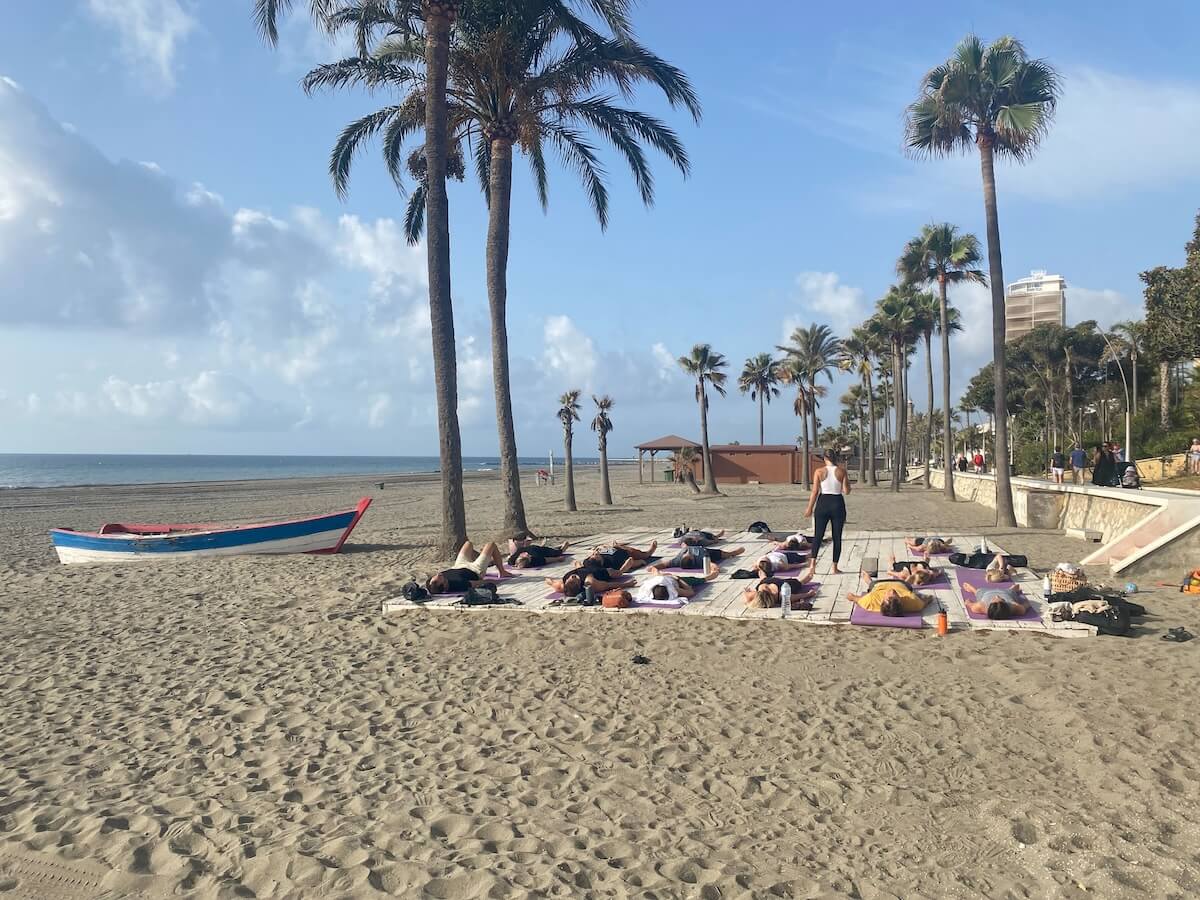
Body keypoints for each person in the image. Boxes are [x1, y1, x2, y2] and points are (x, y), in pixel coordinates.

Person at [802, 449, 850, 581]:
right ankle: (834, 567)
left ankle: (812, 565)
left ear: (824, 458)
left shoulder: (819, 472)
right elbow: (847, 491)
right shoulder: (841, 471)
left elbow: (815, 491)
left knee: (818, 535)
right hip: (837, 503)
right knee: (837, 536)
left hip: (823, 503)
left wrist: (809, 508)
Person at [427, 540, 514, 593]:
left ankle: (484, 559)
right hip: (475, 570)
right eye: (437, 579)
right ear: (444, 584)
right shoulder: (459, 584)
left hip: (458, 565)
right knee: (491, 545)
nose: (438, 575)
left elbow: (430, 588)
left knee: (468, 544)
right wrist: (494, 581)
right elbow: (479, 583)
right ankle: (502, 571)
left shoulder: (437, 582)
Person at [636, 562, 720, 606]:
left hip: (662, 579)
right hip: (669, 579)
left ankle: (657, 572)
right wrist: (678, 579)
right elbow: (690, 591)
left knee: (661, 575)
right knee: (694, 580)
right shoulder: (673, 590)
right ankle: (710, 577)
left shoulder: (647, 589)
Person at [847, 580, 930, 617]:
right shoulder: (912, 601)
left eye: (890, 596)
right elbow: (926, 601)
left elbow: (854, 598)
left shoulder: (871, 600)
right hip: (901, 583)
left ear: (883, 600)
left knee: (871, 585)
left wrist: (851, 596)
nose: (892, 591)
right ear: (900, 602)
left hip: (879, 584)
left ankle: (869, 581)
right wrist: (928, 598)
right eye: (895, 596)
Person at [544, 563, 631, 597]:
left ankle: (578, 565)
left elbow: (551, 582)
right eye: (573, 580)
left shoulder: (562, 586)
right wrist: (626, 584)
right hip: (599, 572)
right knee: (616, 573)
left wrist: (548, 580)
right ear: (579, 584)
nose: (572, 577)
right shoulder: (590, 583)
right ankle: (622, 570)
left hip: (582, 569)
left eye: (568, 580)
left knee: (580, 567)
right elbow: (608, 585)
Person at [962, 581, 1030, 619]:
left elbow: (968, 603)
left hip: (985, 593)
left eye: (994, 599)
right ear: (1006, 604)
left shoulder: (980, 606)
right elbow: (1026, 605)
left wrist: (968, 602)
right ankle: (1013, 589)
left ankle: (972, 590)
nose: (997, 596)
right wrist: (1026, 603)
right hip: (1007, 593)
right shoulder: (1014, 606)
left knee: (978, 592)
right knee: (1013, 591)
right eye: (1001, 599)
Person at [583, 540, 658, 574]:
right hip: (628, 554)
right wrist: (641, 562)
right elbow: (630, 563)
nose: (594, 554)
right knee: (642, 555)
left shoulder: (589, 561)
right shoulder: (613, 563)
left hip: (616, 548)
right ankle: (649, 553)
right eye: (594, 555)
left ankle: (618, 545)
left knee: (615, 545)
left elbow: (585, 563)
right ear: (599, 561)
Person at [743, 575, 817, 609]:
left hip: (774, 583)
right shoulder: (783, 594)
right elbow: (798, 596)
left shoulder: (761, 590)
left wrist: (808, 594)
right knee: (799, 582)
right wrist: (808, 594)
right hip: (784, 584)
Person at [655, 544, 745, 571]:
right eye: (687, 555)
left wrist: (654, 567)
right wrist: (716, 568)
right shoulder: (700, 561)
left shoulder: (677, 560)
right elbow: (710, 564)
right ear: (691, 559)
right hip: (707, 552)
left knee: (684, 545)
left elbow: (665, 564)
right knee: (721, 553)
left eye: (685, 555)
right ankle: (733, 553)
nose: (686, 554)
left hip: (691, 546)